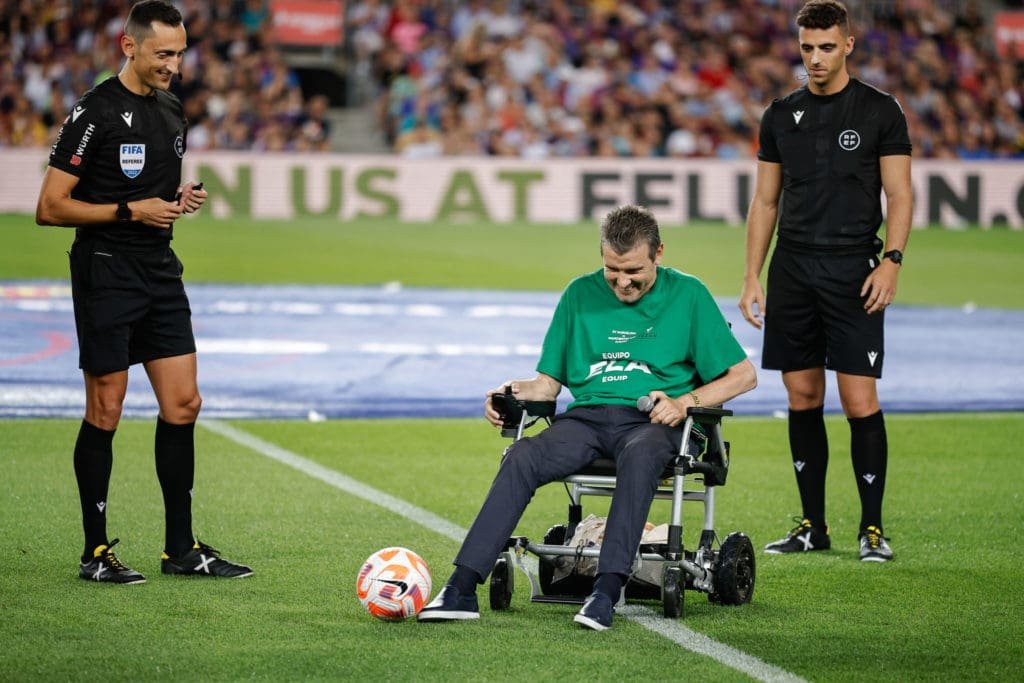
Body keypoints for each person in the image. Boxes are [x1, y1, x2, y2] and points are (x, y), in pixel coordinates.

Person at [418, 205, 757, 630]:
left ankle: (606, 590)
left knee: (639, 455)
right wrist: (510, 392)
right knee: (522, 454)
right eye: (612, 270)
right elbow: (546, 386)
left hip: (656, 423)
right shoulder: (579, 294)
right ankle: (461, 587)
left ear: (659, 254)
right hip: (587, 421)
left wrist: (686, 401)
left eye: (634, 270)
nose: (622, 281)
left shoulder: (689, 295)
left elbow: (743, 376)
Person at [35, 0, 252, 584]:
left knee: (184, 403)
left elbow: (153, 199)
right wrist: (131, 210)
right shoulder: (95, 112)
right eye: (163, 54)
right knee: (105, 409)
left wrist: (177, 205)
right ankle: (95, 552)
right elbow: (50, 207)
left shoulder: (172, 110)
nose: (174, 66)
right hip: (106, 271)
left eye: (180, 54)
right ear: (129, 47)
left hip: (159, 271)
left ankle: (180, 549)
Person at [739, 0, 913, 563]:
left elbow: (901, 195)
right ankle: (813, 524)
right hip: (793, 269)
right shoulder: (779, 114)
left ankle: (873, 529)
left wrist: (891, 260)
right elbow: (765, 203)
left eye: (826, 47)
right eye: (807, 48)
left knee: (859, 399)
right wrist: (752, 276)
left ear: (848, 45)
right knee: (802, 395)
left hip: (853, 270)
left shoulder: (880, 111)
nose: (815, 58)